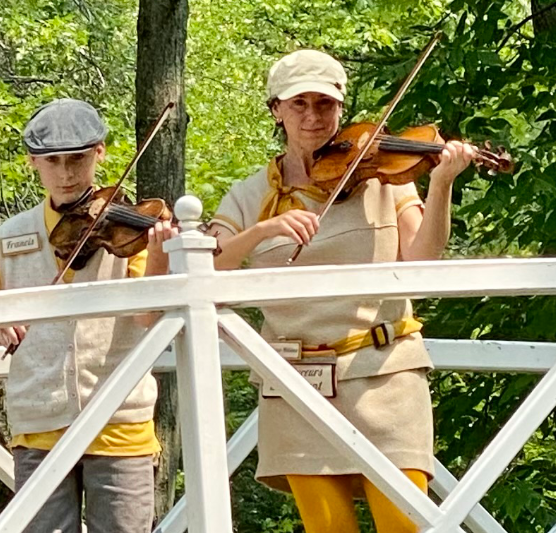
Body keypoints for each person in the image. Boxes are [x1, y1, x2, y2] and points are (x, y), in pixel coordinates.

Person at [206, 50, 478, 533]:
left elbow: (421, 263)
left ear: (341, 107)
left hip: (384, 373)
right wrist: (262, 232)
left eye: (325, 104)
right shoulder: (250, 195)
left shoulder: (383, 176)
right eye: (299, 104)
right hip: (295, 382)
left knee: (404, 524)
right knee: (328, 529)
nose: (313, 117)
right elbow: (209, 268)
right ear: (276, 110)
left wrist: (440, 186)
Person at [0, 98, 176, 533]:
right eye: (53, 161)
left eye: (78, 159)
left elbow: (149, 318)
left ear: (100, 153)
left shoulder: (130, 231)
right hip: (38, 421)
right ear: (34, 162)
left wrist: (161, 256)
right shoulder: (9, 237)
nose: (67, 173)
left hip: (120, 420)